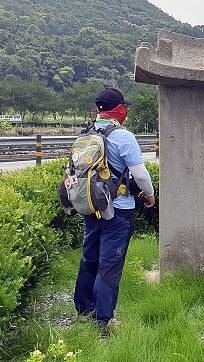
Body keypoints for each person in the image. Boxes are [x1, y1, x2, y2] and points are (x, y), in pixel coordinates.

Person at [73, 87, 155, 334]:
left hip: (90, 207)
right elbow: (140, 174)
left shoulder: (85, 134)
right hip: (118, 211)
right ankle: (103, 321)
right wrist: (150, 195)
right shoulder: (123, 136)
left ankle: (84, 311)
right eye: (124, 107)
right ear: (119, 109)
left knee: (89, 259)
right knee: (109, 264)